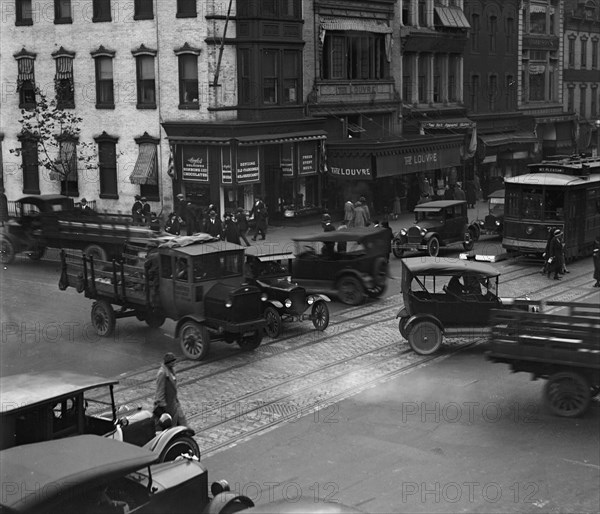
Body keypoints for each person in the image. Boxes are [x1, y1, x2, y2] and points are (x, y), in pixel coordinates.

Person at [154, 352, 187, 427]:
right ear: (168, 363)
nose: (175, 362)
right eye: (173, 361)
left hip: (173, 403)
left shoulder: (171, 370)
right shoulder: (162, 373)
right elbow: (160, 390)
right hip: (167, 405)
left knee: (181, 420)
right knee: (170, 424)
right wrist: (162, 406)